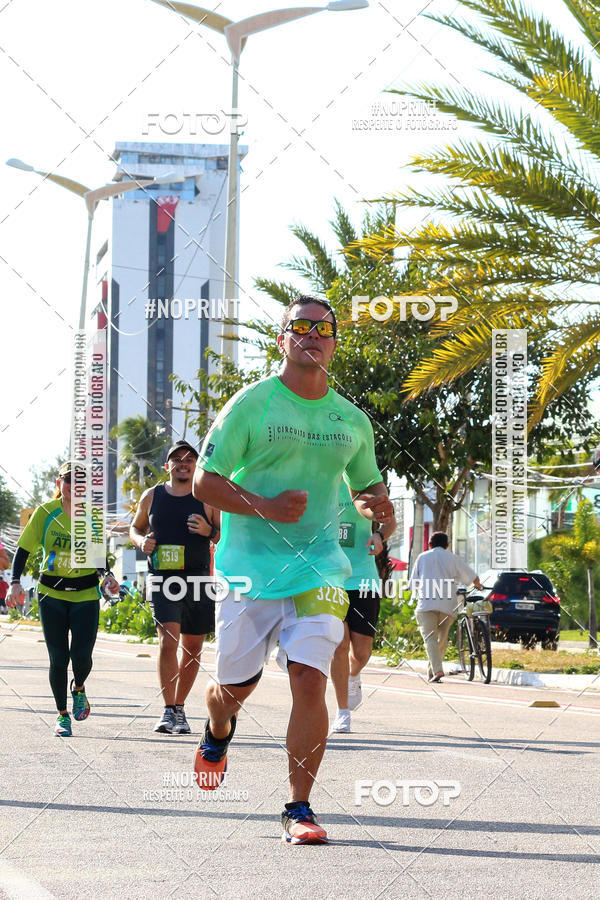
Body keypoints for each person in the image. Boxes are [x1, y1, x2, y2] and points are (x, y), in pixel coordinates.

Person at [192, 295, 395, 844]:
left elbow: (367, 482)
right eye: (299, 326)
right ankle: (217, 729)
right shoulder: (251, 405)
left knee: (309, 679)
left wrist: (382, 504)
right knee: (231, 688)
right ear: (282, 338)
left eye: (323, 328)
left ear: (334, 341)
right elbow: (203, 482)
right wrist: (266, 506)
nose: (312, 334)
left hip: (321, 568)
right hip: (248, 569)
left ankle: (299, 808)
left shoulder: (350, 420)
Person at [6, 462, 119, 736]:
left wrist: (108, 576)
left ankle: (78, 687)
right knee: (58, 658)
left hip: (84, 595)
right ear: (59, 484)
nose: (74, 485)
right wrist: (14, 582)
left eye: (80, 481)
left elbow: (96, 555)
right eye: (69, 480)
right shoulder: (45, 513)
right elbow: (23, 549)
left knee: (82, 657)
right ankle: (62, 715)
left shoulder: (91, 515)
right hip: (51, 594)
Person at [130, 440, 220, 735]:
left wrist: (210, 531)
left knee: (193, 648)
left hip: (197, 579)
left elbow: (226, 534)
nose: (184, 463)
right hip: (163, 579)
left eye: (189, 459)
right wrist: (141, 542)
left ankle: (179, 709)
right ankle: (168, 710)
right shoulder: (152, 496)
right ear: (168, 466)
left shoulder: (206, 496)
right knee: (168, 641)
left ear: (196, 465)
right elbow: (135, 527)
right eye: (177, 459)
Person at [330, 482, 397, 733]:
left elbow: (390, 522)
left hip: (364, 578)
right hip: (331, 577)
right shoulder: (321, 481)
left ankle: (353, 675)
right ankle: (342, 712)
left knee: (362, 652)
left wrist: (379, 536)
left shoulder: (362, 483)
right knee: (340, 645)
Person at [410, 531, 483, 682]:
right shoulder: (453, 558)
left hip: (426, 603)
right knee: (441, 641)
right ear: (447, 545)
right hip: (448, 604)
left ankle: (437, 670)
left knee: (430, 639)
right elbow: (473, 577)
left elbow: (414, 583)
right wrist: (478, 585)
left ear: (429, 544)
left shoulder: (422, 557)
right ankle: (434, 673)